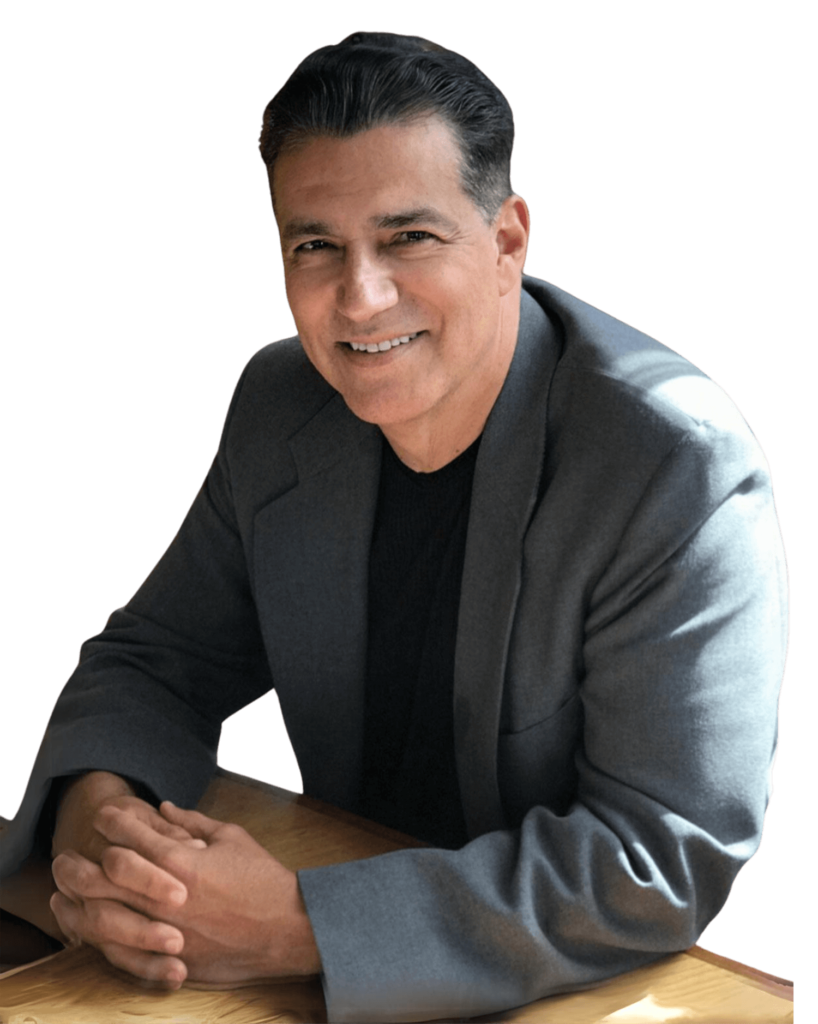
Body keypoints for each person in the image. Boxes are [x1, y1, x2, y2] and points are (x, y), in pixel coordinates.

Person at [0, 30, 788, 1023]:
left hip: (578, 994)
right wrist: (105, 828)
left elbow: (660, 854)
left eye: (408, 237)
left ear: (506, 242)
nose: (360, 297)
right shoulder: (281, 400)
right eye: (315, 246)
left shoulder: (670, 459)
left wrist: (297, 929)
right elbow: (157, 658)